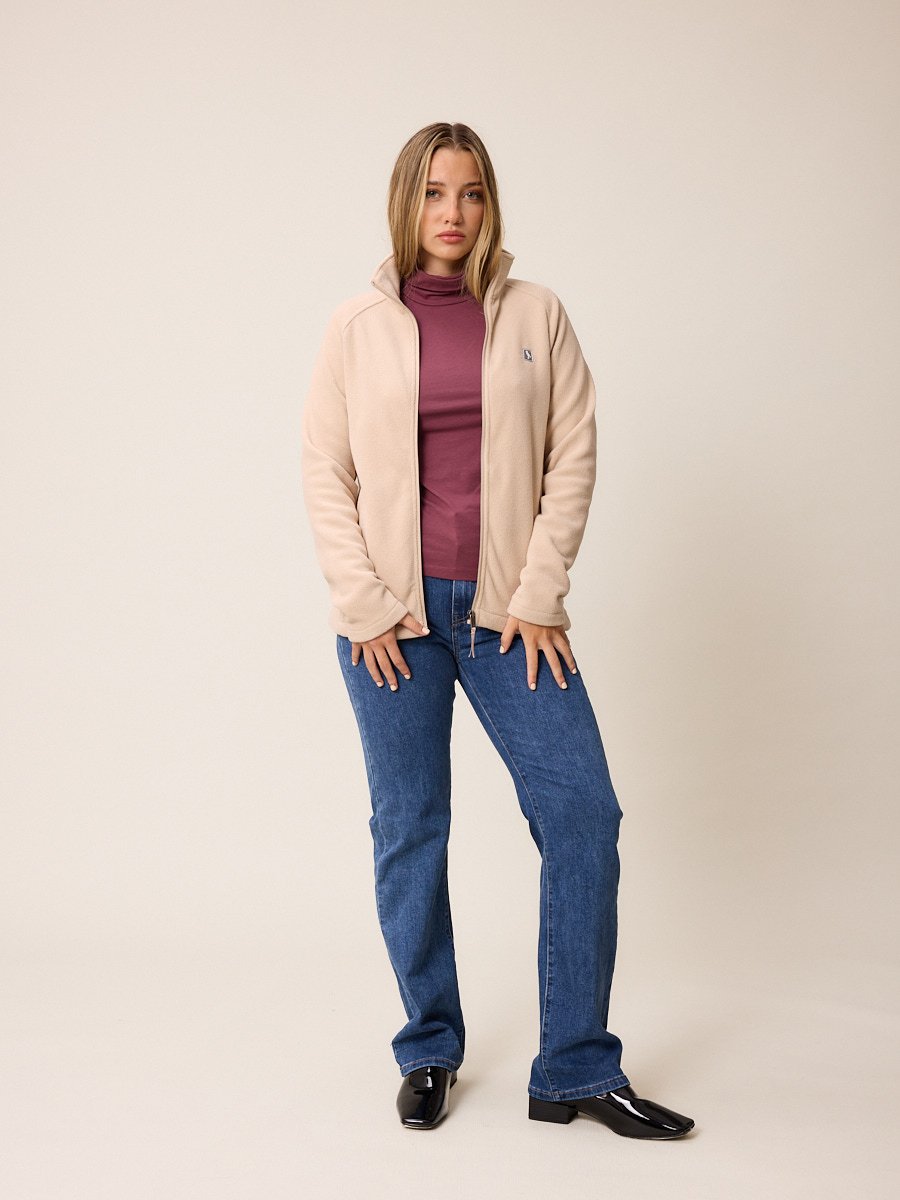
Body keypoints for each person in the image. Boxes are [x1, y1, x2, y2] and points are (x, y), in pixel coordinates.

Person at [300, 122, 695, 1139]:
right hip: (392, 625)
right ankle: (429, 1046)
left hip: (508, 619)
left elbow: (574, 452)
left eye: (471, 193)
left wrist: (538, 592)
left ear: (490, 205)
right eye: (436, 192)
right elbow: (325, 473)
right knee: (411, 829)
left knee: (583, 815)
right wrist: (365, 603)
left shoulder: (535, 313)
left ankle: (574, 1068)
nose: (454, 212)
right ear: (407, 201)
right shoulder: (356, 325)